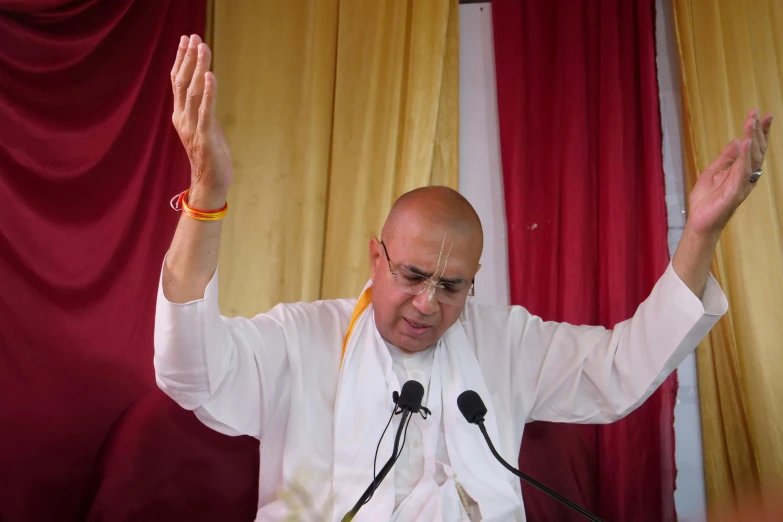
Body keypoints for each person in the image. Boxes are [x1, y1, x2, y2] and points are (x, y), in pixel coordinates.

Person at [154, 34, 774, 522]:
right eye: (413, 275)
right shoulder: (299, 339)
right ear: (376, 257)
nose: (427, 303)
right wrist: (208, 196)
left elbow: (620, 370)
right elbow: (191, 372)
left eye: (452, 287)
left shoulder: (503, 342)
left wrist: (700, 235)